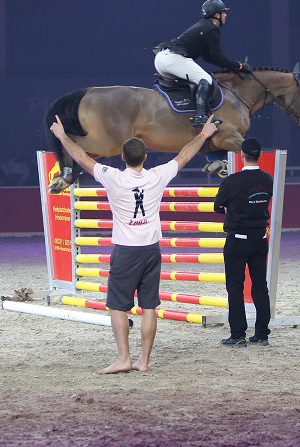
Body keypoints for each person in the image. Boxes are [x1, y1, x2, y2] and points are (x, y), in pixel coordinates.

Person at [49, 114, 219, 374]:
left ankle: (123, 358)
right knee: (149, 306)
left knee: (117, 305)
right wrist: (205, 134)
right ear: (145, 157)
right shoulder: (157, 176)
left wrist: (62, 137)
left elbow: (82, 158)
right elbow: (185, 155)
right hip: (151, 250)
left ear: (122, 158)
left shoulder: (114, 177)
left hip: (126, 252)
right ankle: (144, 362)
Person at [212, 137, 273, 347]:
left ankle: (238, 334)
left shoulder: (232, 181)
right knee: (260, 286)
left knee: (235, 288)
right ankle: (262, 333)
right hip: (260, 239)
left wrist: (233, 209)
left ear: (242, 156)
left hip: (237, 240)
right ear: (260, 156)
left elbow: (217, 206)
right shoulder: (268, 179)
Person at [154, 0, 251, 127]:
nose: (226, 15)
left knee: (195, 80)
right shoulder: (211, 29)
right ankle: (200, 115)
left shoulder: (203, 25)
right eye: (223, 12)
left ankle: (186, 110)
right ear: (217, 15)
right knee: (205, 78)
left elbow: (207, 58)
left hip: (162, 59)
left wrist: (234, 66)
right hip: (173, 59)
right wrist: (239, 66)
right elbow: (219, 58)